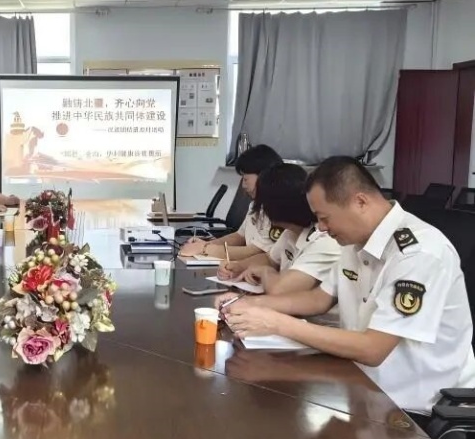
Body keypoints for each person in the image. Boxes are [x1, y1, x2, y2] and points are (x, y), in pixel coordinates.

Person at [216, 156, 475, 416]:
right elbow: (318, 299)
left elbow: (373, 349)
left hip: (416, 409)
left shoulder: (419, 254)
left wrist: (276, 323)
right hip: (362, 386)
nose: (321, 228)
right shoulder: (355, 241)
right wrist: (249, 304)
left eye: (324, 218)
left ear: (360, 202)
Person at [217, 163, 341, 295]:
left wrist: (265, 272)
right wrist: (239, 266)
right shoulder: (290, 232)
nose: (262, 209)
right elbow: (269, 259)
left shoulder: (324, 241)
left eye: (263, 204)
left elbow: (280, 289)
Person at [180, 144, 284, 260]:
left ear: (263, 176)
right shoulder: (256, 205)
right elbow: (240, 236)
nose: (243, 185)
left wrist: (204, 249)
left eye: (245, 179)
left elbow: (256, 252)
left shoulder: (278, 210)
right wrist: (207, 244)